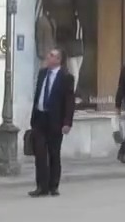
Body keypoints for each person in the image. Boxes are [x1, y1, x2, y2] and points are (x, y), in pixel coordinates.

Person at [29, 48, 75, 197]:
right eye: (48, 55)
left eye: (51, 56)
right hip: (40, 118)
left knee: (54, 153)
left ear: (58, 60)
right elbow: (38, 94)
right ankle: (41, 186)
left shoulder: (66, 77)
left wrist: (67, 122)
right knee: (40, 154)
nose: (48, 57)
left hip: (55, 120)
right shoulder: (42, 73)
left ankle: (53, 186)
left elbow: (69, 101)